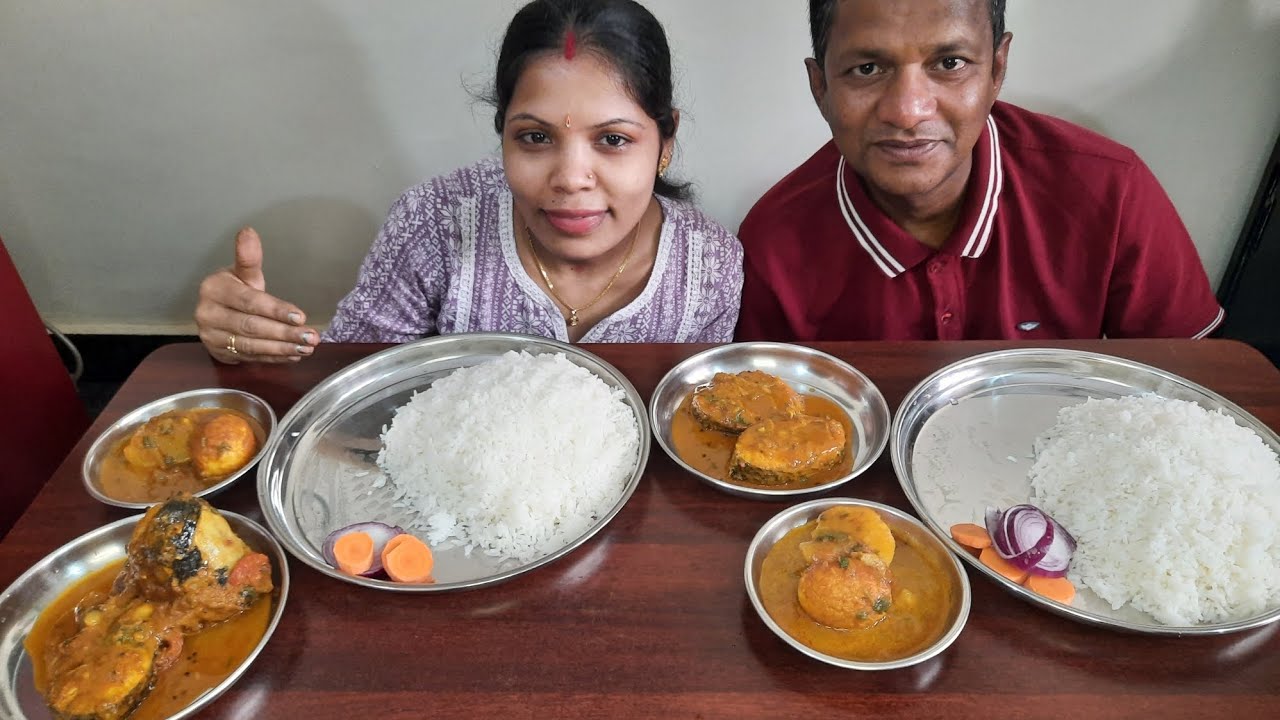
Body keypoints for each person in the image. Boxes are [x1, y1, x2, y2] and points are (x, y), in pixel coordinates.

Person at [195, 0, 743, 364]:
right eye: (534, 138)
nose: (572, 179)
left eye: (614, 140)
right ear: (502, 132)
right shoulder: (433, 223)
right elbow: (353, 379)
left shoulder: (712, 266)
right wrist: (245, 348)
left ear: (665, 142)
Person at [734, 0, 1223, 342]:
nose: (908, 111)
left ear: (997, 69)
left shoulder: (1110, 190)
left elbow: (1190, 383)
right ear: (820, 87)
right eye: (867, 69)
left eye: (950, 62)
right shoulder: (774, 241)